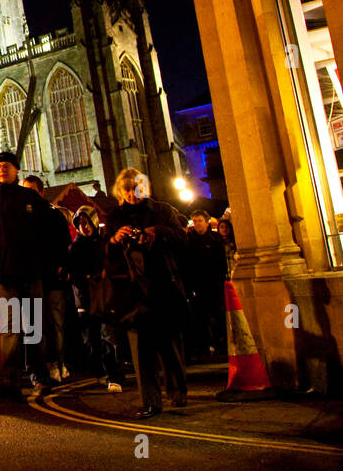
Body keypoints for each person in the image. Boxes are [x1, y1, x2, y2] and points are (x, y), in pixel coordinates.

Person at [105, 168, 189, 418]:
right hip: (133, 292)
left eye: (136, 188)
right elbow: (106, 258)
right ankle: (151, 401)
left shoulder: (162, 210)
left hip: (163, 285)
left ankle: (177, 391)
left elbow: (182, 241)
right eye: (127, 189)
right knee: (142, 352)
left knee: (170, 346)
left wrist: (157, 233)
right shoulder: (115, 217)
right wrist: (113, 241)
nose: (132, 194)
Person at [0, 151, 49, 400]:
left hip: (31, 272)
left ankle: (39, 376)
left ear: (17, 169)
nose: (2, 169)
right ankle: (10, 380)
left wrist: (45, 264)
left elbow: (46, 234)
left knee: (34, 327)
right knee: (10, 329)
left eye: (6, 165)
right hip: (4, 276)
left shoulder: (31, 198)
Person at [66, 210, 125, 392]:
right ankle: (100, 372)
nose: (84, 227)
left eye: (87, 222)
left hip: (104, 297)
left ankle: (114, 375)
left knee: (108, 337)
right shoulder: (74, 248)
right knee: (91, 341)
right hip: (84, 299)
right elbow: (73, 275)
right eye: (80, 223)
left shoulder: (104, 244)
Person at [21, 175, 72, 383]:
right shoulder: (21, 217)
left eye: (32, 190)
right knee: (34, 326)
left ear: (41, 191)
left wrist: (61, 267)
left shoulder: (53, 216)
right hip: (32, 279)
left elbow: (64, 246)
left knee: (55, 324)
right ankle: (41, 367)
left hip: (52, 279)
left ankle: (58, 364)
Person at [184, 210, 228, 360]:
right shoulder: (189, 240)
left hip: (214, 283)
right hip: (198, 284)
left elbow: (221, 261)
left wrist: (222, 278)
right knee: (200, 318)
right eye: (195, 221)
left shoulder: (215, 239)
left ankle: (222, 344)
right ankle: (203, 347)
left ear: (207, 222)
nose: (197, 224)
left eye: (199, 221)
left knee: (219, 315)